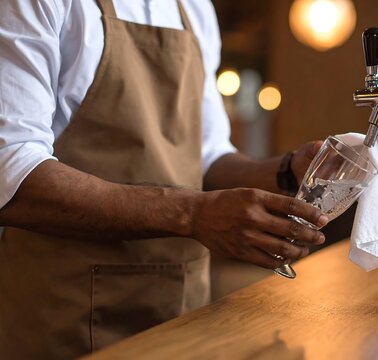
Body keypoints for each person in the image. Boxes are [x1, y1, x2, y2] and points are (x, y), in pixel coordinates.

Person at [0, 0, 328, 358]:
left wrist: (288, 171)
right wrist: (192, 214)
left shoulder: (194, 8)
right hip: (63, 316)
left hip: (181, 314)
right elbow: (12, 167)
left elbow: (206, 154)